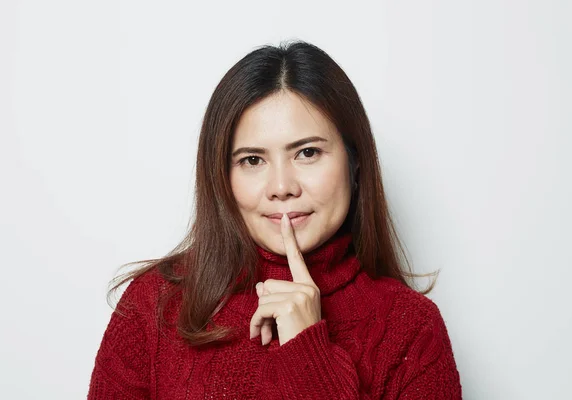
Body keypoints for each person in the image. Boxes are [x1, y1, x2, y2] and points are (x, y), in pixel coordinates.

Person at [87, 40, 462, 399]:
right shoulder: (154, 304)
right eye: (252, 160)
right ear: (222, 175)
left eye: (308, 152)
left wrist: (308, 354)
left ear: (354, 160)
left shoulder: (411, 328)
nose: (281, 187)